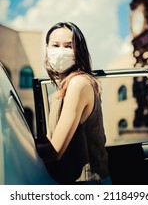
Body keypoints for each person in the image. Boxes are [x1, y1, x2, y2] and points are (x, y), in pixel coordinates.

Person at [37, 21, 112, 185]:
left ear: (79, 51)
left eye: (68, 46)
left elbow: (53, 152)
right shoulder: (60, 89)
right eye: (55, 45)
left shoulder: (79, 84)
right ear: (47, 50)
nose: (60, 52)